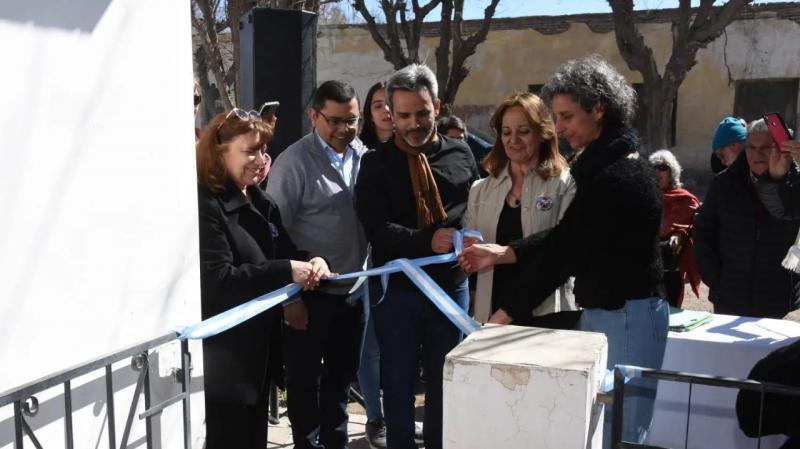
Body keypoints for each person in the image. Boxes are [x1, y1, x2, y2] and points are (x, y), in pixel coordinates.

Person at [457, 56, 668, 448]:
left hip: (627, 316)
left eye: (567, 116)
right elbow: (567, 238)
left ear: (598, 109)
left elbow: (564, 251)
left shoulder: (617, 175)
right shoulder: (604, 165)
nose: (561, 127)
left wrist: (503, 314)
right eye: (557, 117)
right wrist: (506, 253)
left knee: (621, 434)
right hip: (610, 312)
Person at [355, 63, 479, 449]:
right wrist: (426, 242)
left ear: (437, 107)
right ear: (390, 113)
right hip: (397, 293)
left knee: (446, 380)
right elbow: (376, 228)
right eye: (404, 115)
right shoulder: (375, 164)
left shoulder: (461, 153)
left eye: (422, 113)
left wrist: (467, 237)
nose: (414, 124)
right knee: (397, 381)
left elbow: (472, 209)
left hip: (451, 290)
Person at [196, 107, 329, 449]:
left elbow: (283, 250)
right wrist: (287, 270)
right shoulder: (206, 205)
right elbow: (219, 280)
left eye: (263, 150)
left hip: (261, 356)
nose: (260, 160)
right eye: (250, 151)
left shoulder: (261, 200)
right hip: (226, 362)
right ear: (220, 152)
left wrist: (313, 262)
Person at [266, 80, 370, 449]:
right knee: (303, 382)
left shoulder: (363, 155)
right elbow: (274, 233)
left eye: (352, 120)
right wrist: (289, 299)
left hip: (354, 291)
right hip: (308, 296)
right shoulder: (293, 163)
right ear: (314, 116)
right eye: (335, 121)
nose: (345, 129)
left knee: (340, 380)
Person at [464, 92, 578, 328]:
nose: (513, 139)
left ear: (542, 133)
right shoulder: (479, 190)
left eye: (523, 131)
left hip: (548, 315)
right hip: (493, 317)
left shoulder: (565, 185)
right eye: (506, 132)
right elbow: (472, 259)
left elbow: (564, 251)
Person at [694, 119, 800, 319]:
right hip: (729, 296)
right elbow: (703, 232)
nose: (757, 154)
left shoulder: (795, 184)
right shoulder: (724, 183)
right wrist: (715, 278)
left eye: (765, 148)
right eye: (752, 147)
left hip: (779, 299)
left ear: (779, 149)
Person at [649, 149, 701, 308]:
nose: (657, 172)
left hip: (672, 265)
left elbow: (694, 225)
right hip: (647, 264)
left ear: (671, 172)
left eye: (662, 168)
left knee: (671, 310)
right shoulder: (645, 195)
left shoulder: (684, 198)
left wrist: (679, 233)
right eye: (653, 167)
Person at [360, 81, 393, 149]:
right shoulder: (359, 150)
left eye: (390, 103)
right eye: (378, 106)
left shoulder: (412, 148)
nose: (386, 109)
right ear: (370, 115)